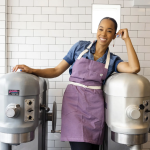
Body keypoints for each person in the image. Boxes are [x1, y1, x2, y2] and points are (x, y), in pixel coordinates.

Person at [12, 17, 140, 150]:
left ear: (114, 35)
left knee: (91, 147)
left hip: (95, 108)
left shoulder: (113, 60)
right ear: (97, 30)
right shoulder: (80, 47)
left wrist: (127, 40)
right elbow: (56, 70)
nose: (103, 34)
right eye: (100, 29)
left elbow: (134, 68)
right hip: (74, 104)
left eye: (109, 31)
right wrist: (32, 70)